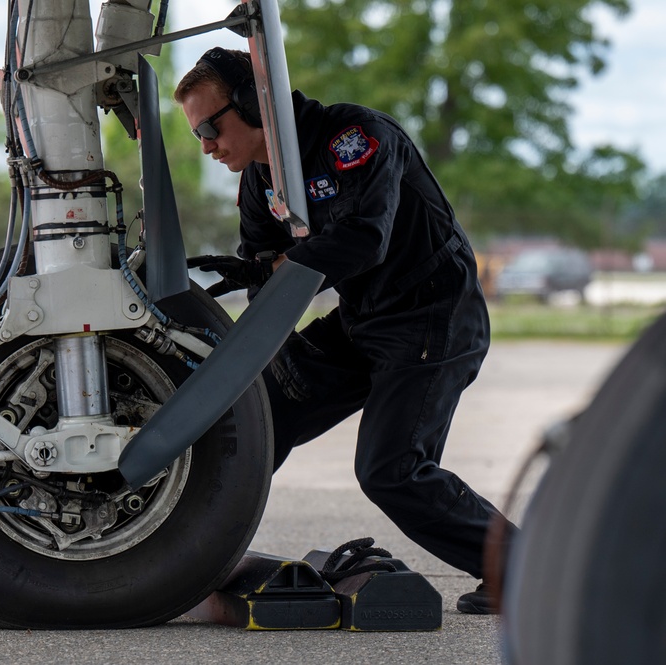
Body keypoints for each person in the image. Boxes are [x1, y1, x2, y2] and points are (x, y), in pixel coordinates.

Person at [175, 47, 512, 615]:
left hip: (431, 317)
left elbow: (363, 238)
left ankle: (523, 570)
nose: (206, 145)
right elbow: (263, 273)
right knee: (254, 425)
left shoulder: (354, 139)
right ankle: (182, 553)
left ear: (258, 103)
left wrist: (279, 268)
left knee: (391, 469)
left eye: (210, 126)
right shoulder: (259, 180)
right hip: (364, 320)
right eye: (197, 135)